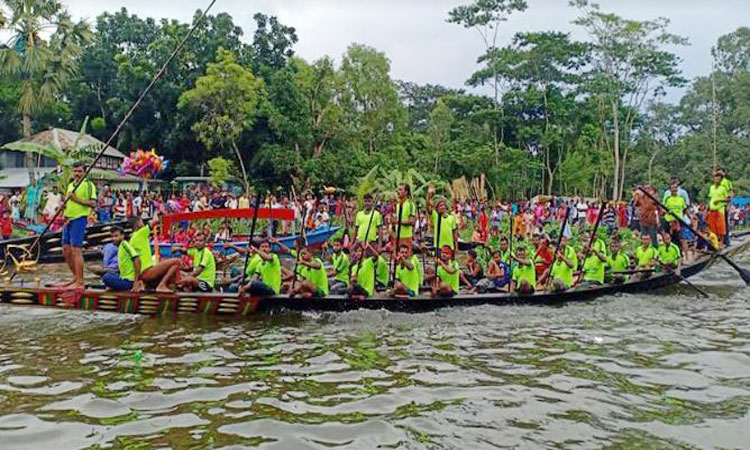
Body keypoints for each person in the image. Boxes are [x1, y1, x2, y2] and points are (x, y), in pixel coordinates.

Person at [60, 162, 97, 289]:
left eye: (80, 171)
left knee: (76, 250)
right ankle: (75, 276)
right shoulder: (70, 185)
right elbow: (68, 201)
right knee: (66, 250)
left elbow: (93, 204)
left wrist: (76, 199)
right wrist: (63, 206)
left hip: (79, 219)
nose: (77, 173)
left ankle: (80, 281)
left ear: (85, 172)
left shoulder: (89, 185)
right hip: (68, 219)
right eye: (75, 171)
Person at [129, 216, 181, 292]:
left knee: (172, 266)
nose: (143, 224)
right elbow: (155, 220)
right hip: (147, 272)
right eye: (142, 222)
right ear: (138, 224)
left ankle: (171, 284)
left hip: (142, 273)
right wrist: (159, 211)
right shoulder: (140, 233)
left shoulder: (132, 239)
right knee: (177, 261)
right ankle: (162, 285)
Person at [102, 226, 142, 292]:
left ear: (122, 236)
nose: (113, 239)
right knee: (109, 273)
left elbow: (137, 258)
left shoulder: (124, 244)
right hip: (124, 278)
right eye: (112, 236)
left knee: (106, 277)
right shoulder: (120, 247)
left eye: (116, 236)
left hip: (129, 281)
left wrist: (136, 281)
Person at [426, 186, 459, 252]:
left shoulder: (452, 218)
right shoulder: (436, 216)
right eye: (440, 206)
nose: (442, 207)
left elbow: (455, 234)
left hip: (450, 246)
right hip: (439, 246)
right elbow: (428, 205)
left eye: (443, 205)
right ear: (437, 208)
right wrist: (429, 195)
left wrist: (456, 247)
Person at [662, 179, 689, 254]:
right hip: (669, 221)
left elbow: (685, 209)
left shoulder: (681, 199)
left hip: (678, 221)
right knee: (668, 238)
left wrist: (689, 218)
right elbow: (663, 209)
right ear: (670, 189)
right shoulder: (667, 198)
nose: (674, 189)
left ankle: (683, 256)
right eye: (672, 188)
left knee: (681, 239)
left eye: (675, 187)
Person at [707, 171, 729, 245]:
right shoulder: (711, 187)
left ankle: (722, 242)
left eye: (718, 178)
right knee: (712, 226)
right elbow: (710, 198)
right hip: (712, 209)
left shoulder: (723, 188)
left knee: (721, 226)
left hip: (720, 209)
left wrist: (719, 200)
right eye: (715, 178)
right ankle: (715, 241)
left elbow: (727, 199)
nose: (717, 180)